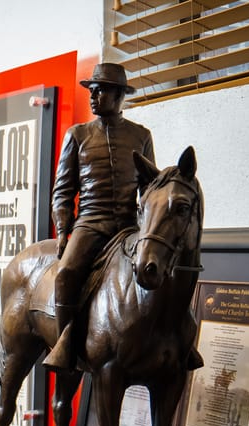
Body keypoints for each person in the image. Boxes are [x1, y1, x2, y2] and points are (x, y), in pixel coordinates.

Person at [43, 62, 155, 370]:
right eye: (91, 90)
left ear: (119, 95)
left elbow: (148, 188)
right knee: (65, 274)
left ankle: (179, 341)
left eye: (101, 90)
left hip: (129, 227)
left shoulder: (141, 136)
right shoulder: (78, 135)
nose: (93, 96)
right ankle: (65, 343)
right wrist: (64, 230)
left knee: (160, 267)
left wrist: (148, 227)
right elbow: (62, 190)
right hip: (91, 223)